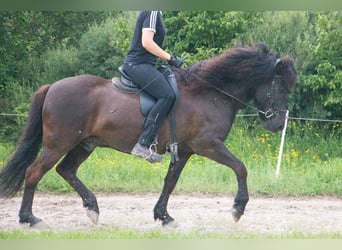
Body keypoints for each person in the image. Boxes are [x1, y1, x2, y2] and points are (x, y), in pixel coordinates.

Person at [123, 11, 184, 163]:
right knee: (167, 95)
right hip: (138, 64)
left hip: (146, 64)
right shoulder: (152, 10)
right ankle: (143, 144)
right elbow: (147, 42)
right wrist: (170, 58)